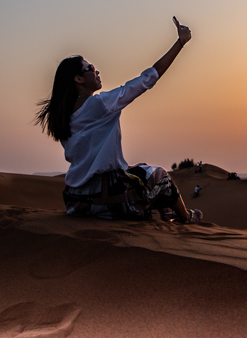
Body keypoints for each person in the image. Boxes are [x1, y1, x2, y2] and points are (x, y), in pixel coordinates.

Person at [36, 17, 201, 224]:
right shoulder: (101, 104)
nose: (96, 71)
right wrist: (180, 43)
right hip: (110, 201)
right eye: (90, 68)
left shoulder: (63, 116)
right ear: (78, 79)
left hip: (76, 201)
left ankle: (165, 211)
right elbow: (148, 78)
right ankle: (186, 216)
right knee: (160, 176)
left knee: (138, 169)